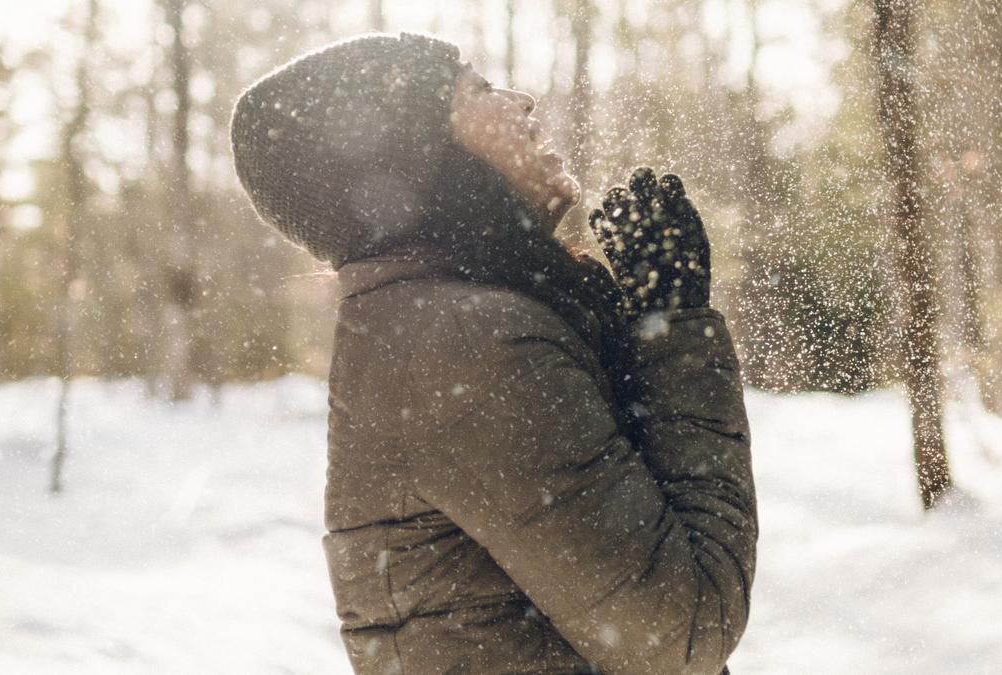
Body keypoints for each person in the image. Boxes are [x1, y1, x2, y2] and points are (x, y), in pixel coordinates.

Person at [230, 32, 757, 675]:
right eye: (478, 91)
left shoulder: (436, 325)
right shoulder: (466, 346)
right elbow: (684, 630)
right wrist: (678, 335)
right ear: (422, 157)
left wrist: (646, 335)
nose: (522, 101)